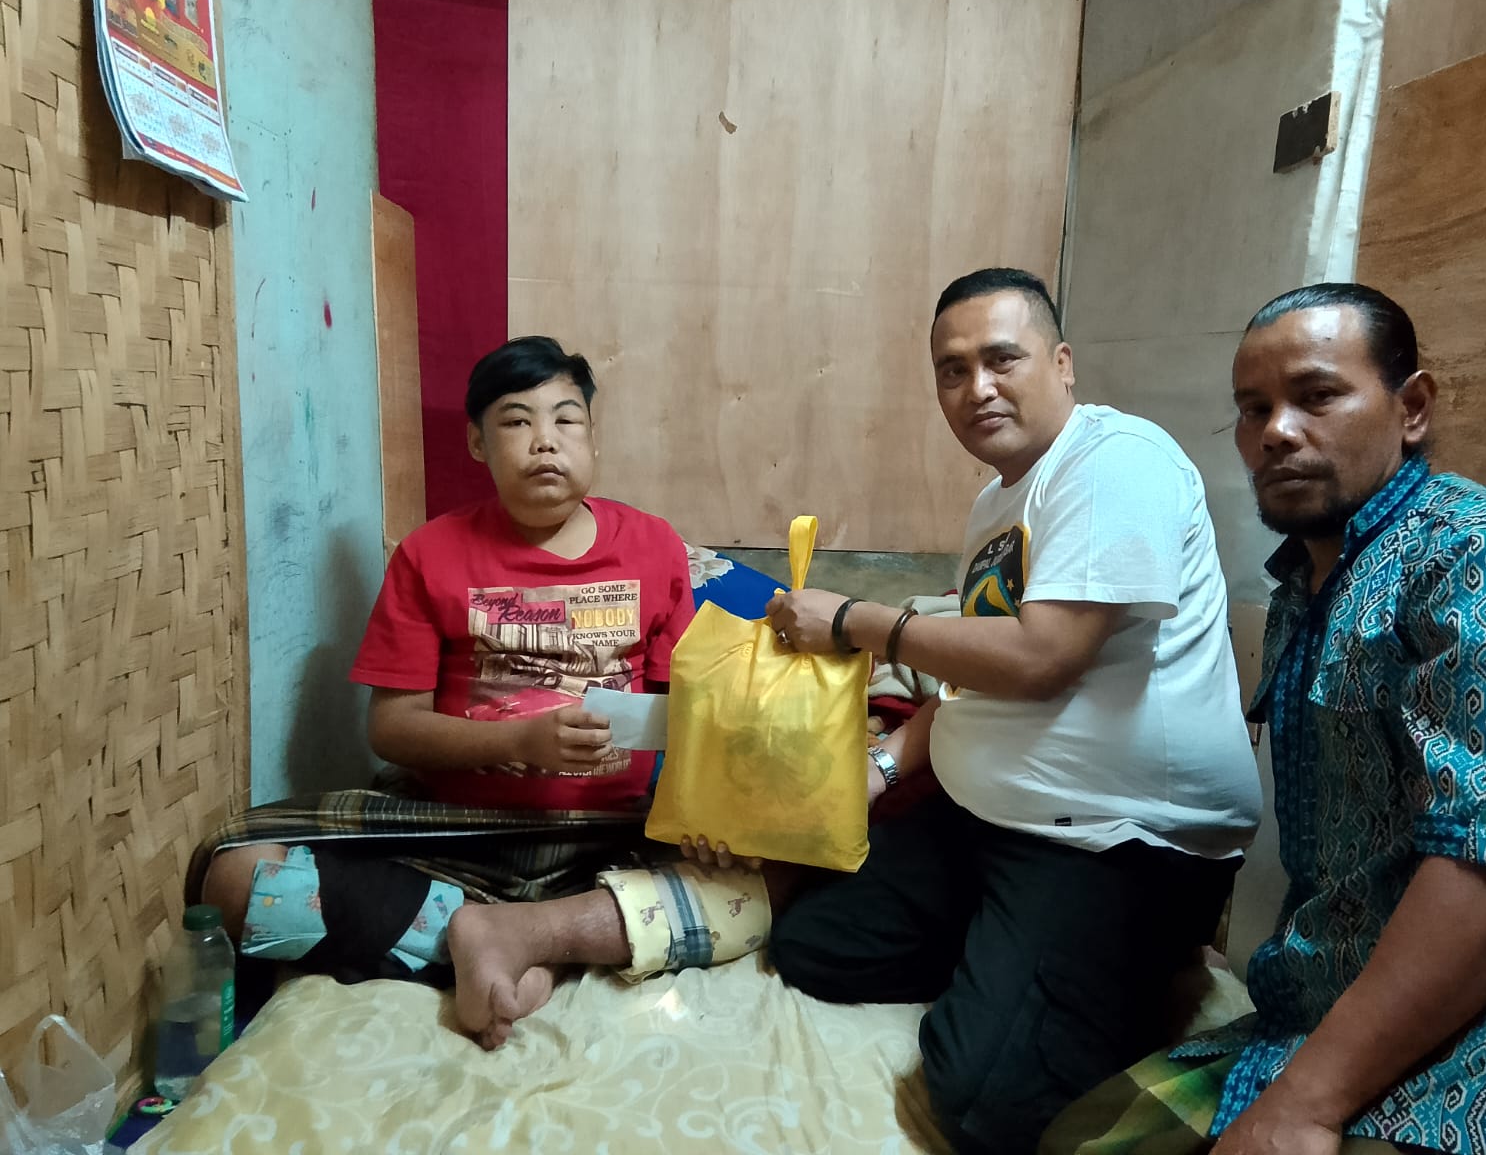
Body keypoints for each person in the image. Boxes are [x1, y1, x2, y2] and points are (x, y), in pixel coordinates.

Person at [1041, 283, 1486, 1155]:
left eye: (1316, 395)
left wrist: (1304, 1105)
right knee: (1078, 1138)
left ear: (1411, 408)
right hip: (1321, 1002)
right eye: (1253, 408)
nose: (1276, 431)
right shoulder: (1305, 586)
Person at [764, 267, 1263, 1154]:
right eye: (952, 371)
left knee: (984, 1100)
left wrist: (854, 621)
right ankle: (1039, 964)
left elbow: (1041, 660)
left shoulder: (1118, 461)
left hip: (1113, 840)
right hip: (993, 821)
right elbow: (974, 677)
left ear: (1062, 364)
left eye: (1002, 359)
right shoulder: (997, 502)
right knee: (814, 947)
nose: (978, 388)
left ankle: (1121, 960)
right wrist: (881, 766)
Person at [196, 337, 766, 1050]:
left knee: (763, 884)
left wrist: (716, 812)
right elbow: (391, 728)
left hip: (611, 840)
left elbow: (690, 712)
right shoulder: (429, 554)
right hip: (457, 835)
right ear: (477, 442)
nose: (545, 441)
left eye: (566, 420)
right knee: (235, 878)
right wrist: (518, 740)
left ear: (593, 437)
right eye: (516, 421)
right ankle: (528, 942)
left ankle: (518, 939)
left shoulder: (653, 546)